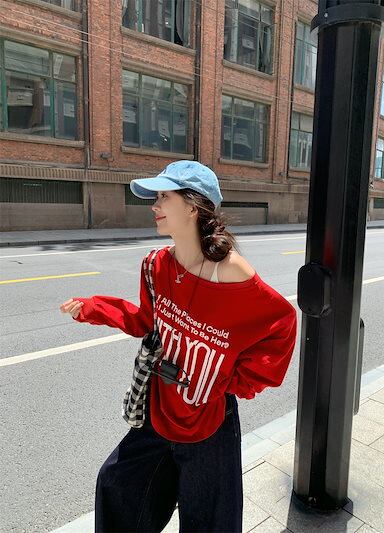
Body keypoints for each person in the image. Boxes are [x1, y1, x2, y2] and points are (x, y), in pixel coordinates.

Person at [60, 160, 297, 533]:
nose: (154, 206)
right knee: (116, 484)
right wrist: (93, 309)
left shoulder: (231, 272)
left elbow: (282, 324)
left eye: (163, 197)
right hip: (160, 409)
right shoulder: (156, 265)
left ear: (192, 206)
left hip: (211, 422)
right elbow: (145, 320)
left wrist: (232, 382)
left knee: (208, 522)